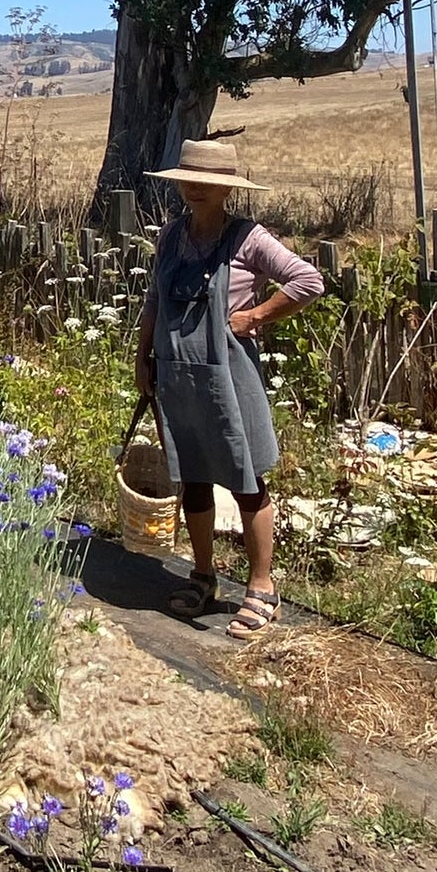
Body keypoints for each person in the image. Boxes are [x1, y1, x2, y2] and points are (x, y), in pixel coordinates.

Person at [134, 138, 323, 639]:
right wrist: (142, 356)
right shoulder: (170, 237)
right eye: (189, 180)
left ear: (227, 191)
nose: (195, 189)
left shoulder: (247, 238)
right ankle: (204, 576)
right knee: (192, 478)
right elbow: (155, 300)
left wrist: (256, 316)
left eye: (209, 184)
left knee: (245, 478)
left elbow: (308, 282)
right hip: (176, 373)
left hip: (229, 377)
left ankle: (262, 586)